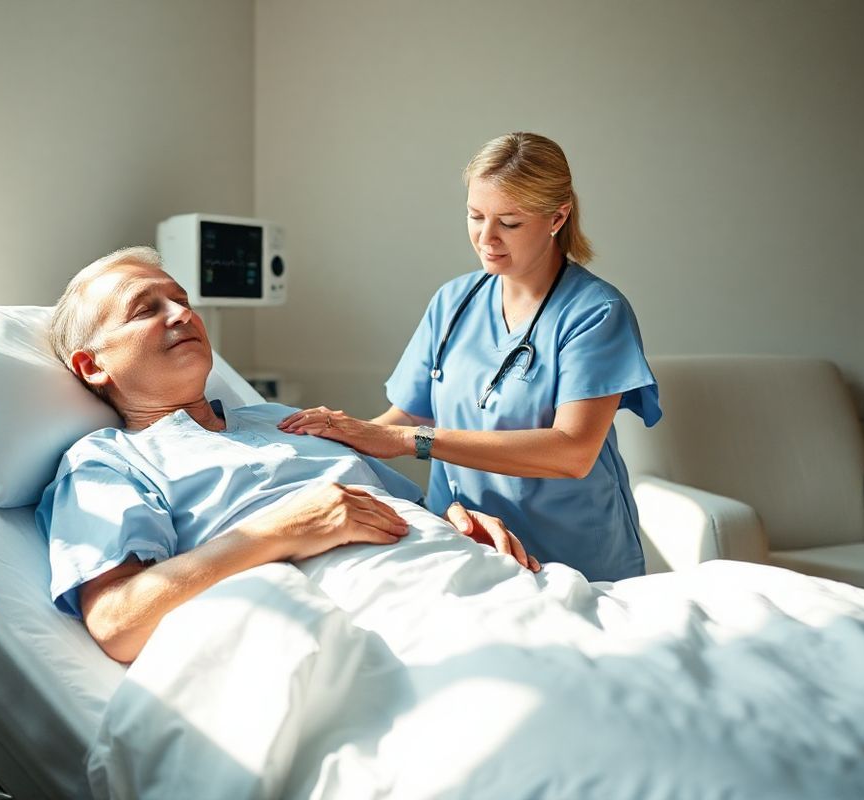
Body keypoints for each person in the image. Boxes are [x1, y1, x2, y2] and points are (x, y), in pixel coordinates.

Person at [36, 247, 539, 663]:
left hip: (475, 580)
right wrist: (283, 529)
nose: (184, 314)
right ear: (92, 365)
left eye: (182, 301)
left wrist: (453, 521)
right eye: (147, 309)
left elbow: (397, 506)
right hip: (379, 625)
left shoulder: (279, 417)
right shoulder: (109, 462)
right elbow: (117, 621)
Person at [279, 132, 660, 583]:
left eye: (510, 222)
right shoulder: (453, 301)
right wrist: (330, 440)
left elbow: (572, 452)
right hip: (466, 546)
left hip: (573, 557)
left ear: (558, 217)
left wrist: (412, 442)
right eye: (475, 216)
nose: (487, 237)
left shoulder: (595, 313)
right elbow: (405, 417)